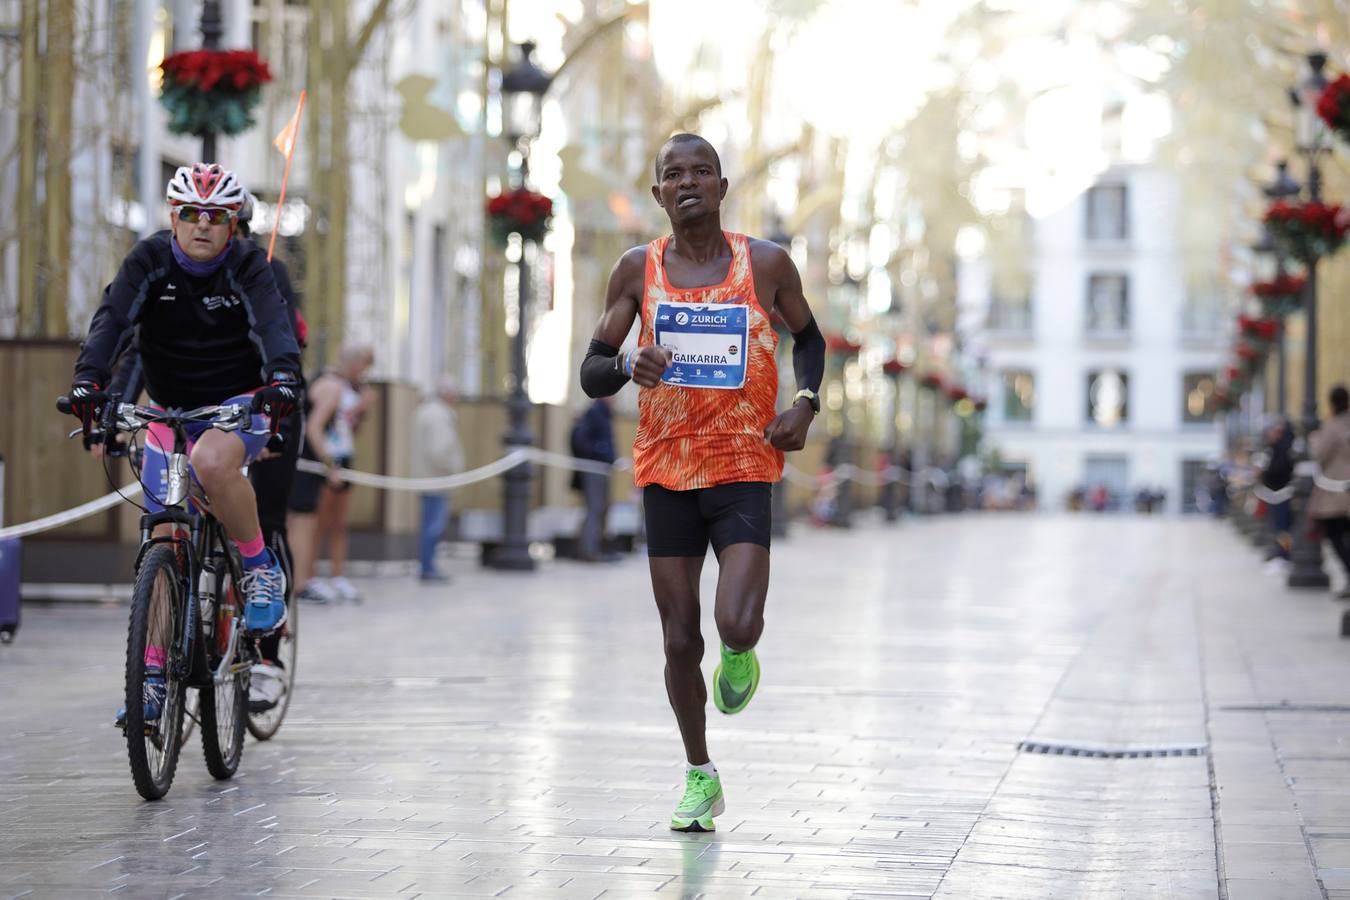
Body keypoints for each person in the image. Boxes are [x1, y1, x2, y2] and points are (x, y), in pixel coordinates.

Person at [578, 133, 825, 833]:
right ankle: (699, 774)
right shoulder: (636, 271)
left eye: (701, 172)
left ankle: (742, 652)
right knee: (679, 638)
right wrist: (631, 365)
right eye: (673, 175)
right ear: (658, 194)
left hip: (744, 464)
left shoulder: (767, 263)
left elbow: (811, 341)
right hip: (667, 467)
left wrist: (805, 404)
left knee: (735, 623)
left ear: (722, 186)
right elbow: (593, 371)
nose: (688, 183)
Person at [65, 163, 302, 725]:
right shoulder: (148, 259)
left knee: (210, 461)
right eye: (190, 214)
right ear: (173, 217)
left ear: (233, 223)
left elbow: (275, 330)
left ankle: (258, 565)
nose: (201, 226)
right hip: (168, 407)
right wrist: (88, 381)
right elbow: (112, 322)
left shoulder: (248, 266)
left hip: (238, 404)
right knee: (164, 534)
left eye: (215, 217)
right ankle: (150, 677)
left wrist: (283, 381)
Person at [288, 344, 374, 603]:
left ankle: (304, 581)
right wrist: (330, 465)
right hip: (309, 461)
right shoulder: (333, 387)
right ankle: (301, 582)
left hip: (313, 460)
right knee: (304, 522)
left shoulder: (334, 386)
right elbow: (314, 428)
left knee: (306, 521)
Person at [411, 375, 465, 581]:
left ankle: (428, 565)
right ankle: (428, 567)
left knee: (429, 524)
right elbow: (439, 451)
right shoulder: (438, 416)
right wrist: (451, 469)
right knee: (433, 526)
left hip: (429, 478)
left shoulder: (428, 412)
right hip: (436, 479)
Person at [1309, 385, 1350, 596]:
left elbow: (1320, 453)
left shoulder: (1333, 425)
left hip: (1336, 489)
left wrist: (1315, 438)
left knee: (1335, 533)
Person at [570, 397, 619, 562]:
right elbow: (580, 439)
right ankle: (588, 550)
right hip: (594, 468)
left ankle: (594, 548)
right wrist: (600, 452)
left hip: (601, 468)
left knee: (601, 509)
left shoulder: (603, 413)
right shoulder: (595, 412)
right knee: (594, 508)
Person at [1259, 417, 1295, 574]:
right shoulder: (1275, 449)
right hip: (1275, 494)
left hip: (1282, 494)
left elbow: (1278, 471)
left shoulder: (1284, 449)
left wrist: (1265, 474)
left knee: (1283, 529)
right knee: (1278, 528)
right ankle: (1281, 554)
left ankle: (1285, 556)